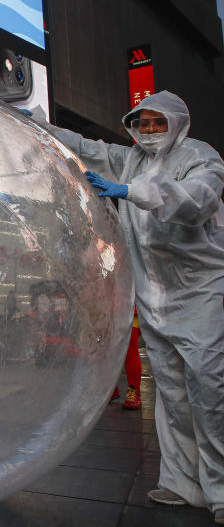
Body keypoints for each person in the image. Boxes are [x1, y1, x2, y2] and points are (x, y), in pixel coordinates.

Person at [45, 91, 224, 524]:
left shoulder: (201, 157)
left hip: (200, 293)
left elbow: (195, 202)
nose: (148, 131)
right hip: (155, 297)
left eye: (157, 123)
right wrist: (35, 123)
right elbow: (85, 148)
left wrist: (129, 191)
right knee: (174, 394)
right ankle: (184, 483)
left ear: (177, 123)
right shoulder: (131, 160)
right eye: (141, 124)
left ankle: (221, 489)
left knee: (210, 391)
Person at [110, 308, 142, 410]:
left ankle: (134, 390)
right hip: (108, 309)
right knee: (106, 351)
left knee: (130, 350)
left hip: (129, 309)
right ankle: (110, 389)